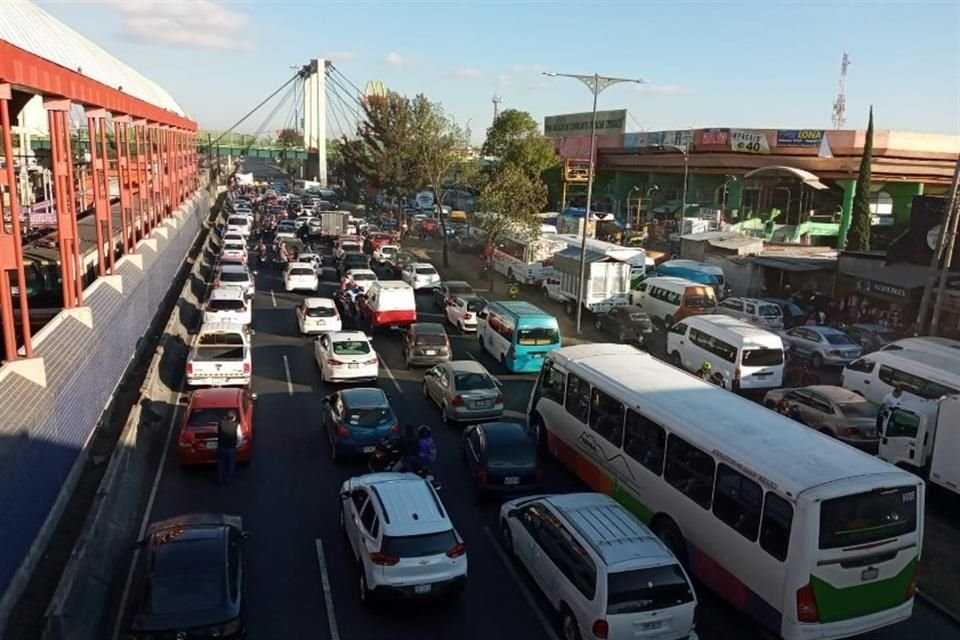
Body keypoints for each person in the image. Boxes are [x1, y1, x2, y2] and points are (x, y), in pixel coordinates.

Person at [217, 410, 240, 485]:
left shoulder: (221, 423)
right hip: (231, 448)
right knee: (230, 464)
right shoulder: (236, 425)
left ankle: (220, 479)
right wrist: (237, 445)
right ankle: (228, 480)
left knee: (221, 464)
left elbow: (217, 431)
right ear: (234, 418)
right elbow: (239, 437)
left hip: (222, 447)